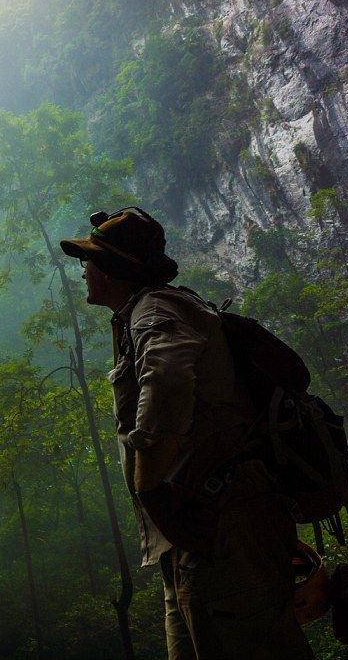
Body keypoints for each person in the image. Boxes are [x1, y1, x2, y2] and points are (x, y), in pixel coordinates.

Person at [59, 207, 314, 660]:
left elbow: (170, 382)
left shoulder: (154, 309)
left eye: (90, 260)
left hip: (220, 523)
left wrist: (150, 490)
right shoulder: (145, 312)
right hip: (193, 532)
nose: (84, 271)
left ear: (115, 268)